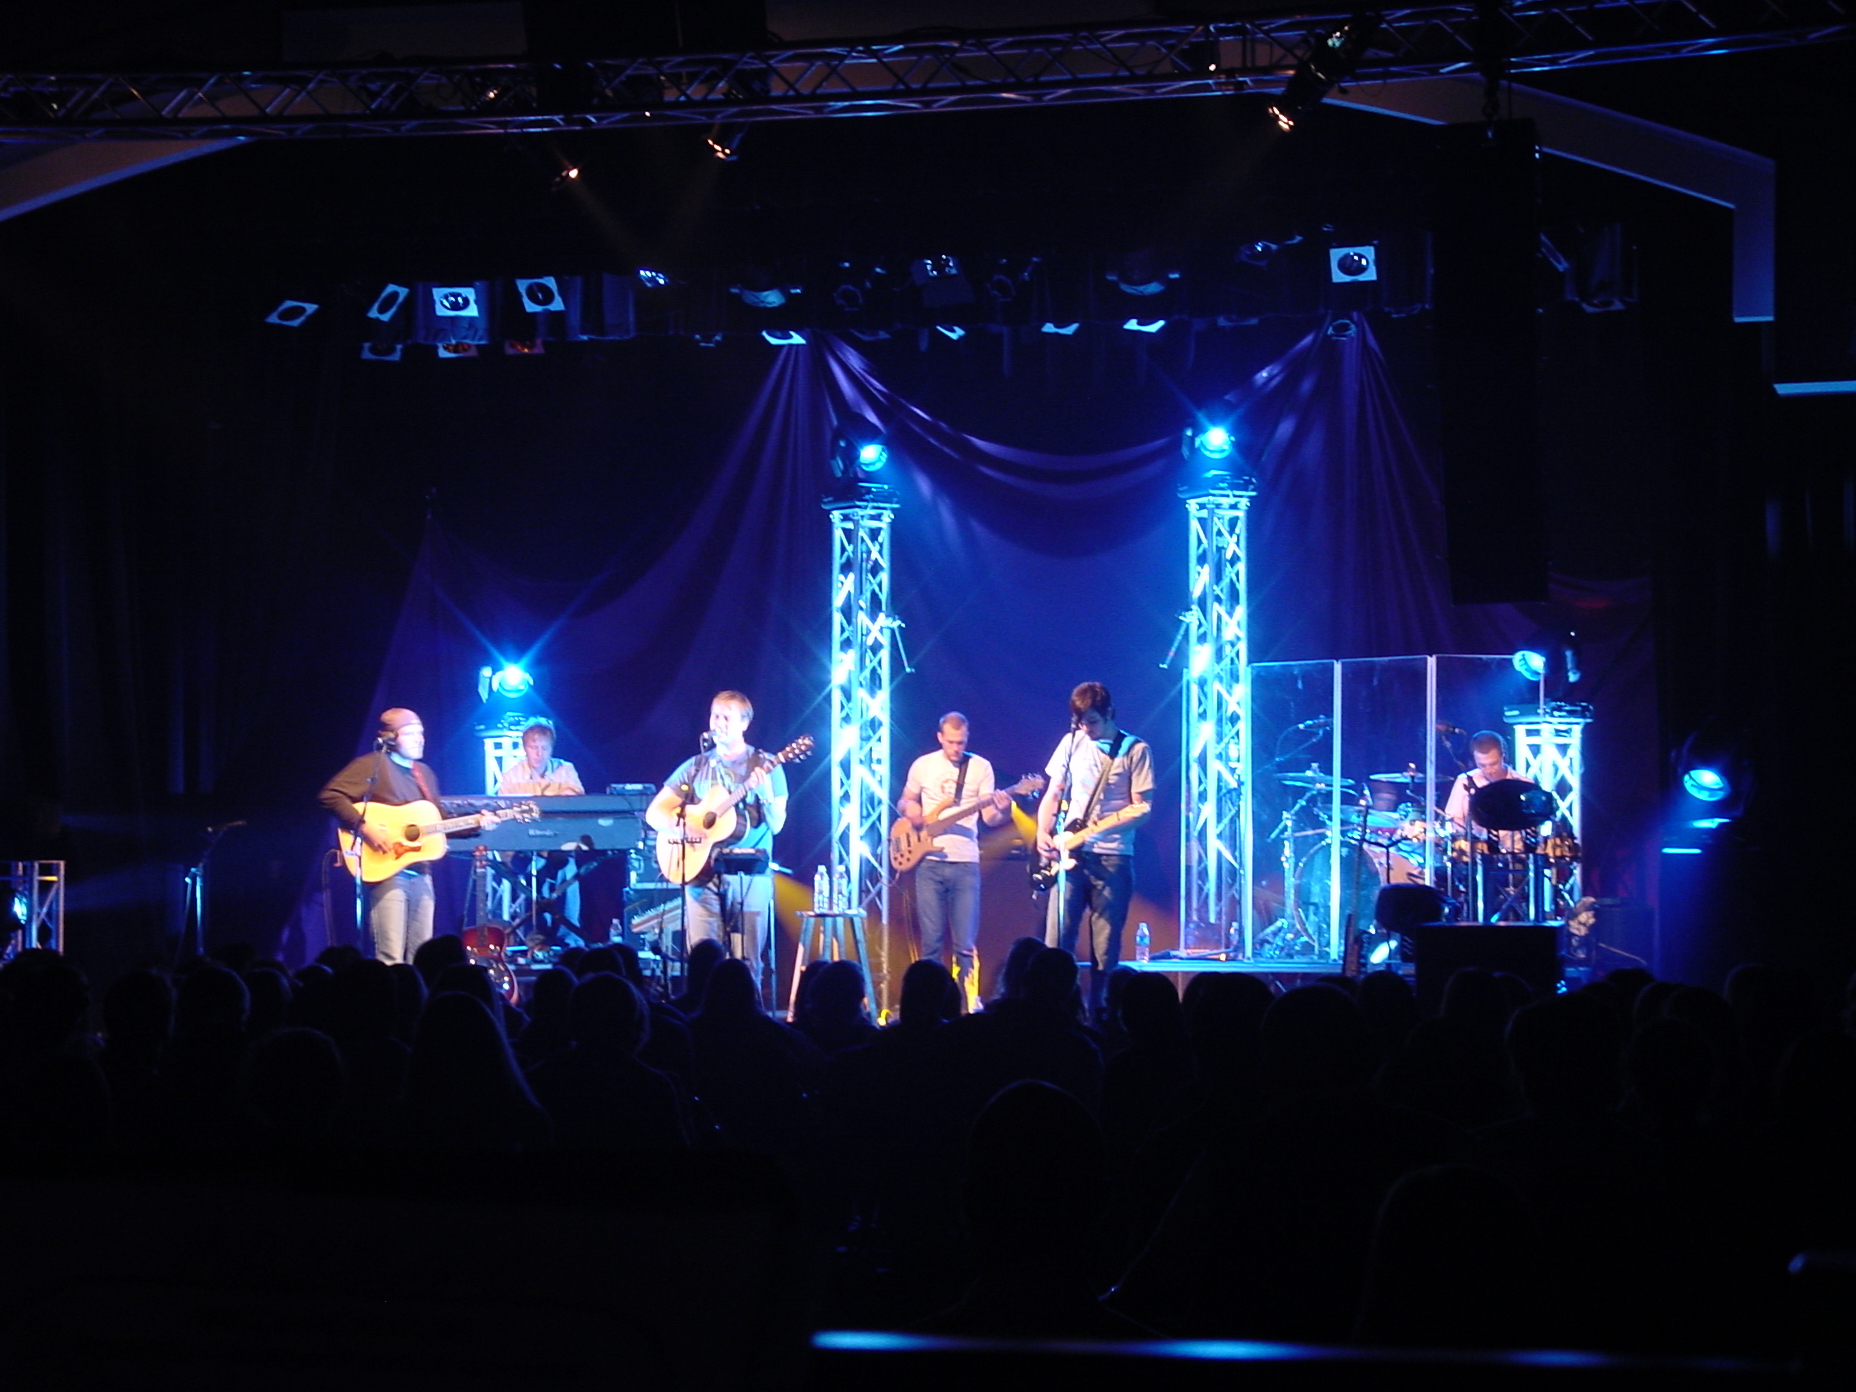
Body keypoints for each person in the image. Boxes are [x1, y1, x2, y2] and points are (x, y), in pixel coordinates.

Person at [320, 708, 495, 967]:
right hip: (388, 871)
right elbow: (330, 795)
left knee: (422, 955)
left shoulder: (424, 774)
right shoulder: (372, 766)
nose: (420, 739)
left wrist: (478, 823)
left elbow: (439, 823)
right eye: (411, 733)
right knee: (390, 956)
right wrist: (366, 827)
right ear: (390, 739)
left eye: (421, 733)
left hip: (421, 872)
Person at [645, 691, 788, 998]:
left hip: (749, 875)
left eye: (726, 716)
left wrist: (763, 793)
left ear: (744, 724)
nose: (718, 723)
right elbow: (655, 813)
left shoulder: (766, 765)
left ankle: (750, 1024)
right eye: (715, 715)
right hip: (701, 874)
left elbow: (777, 825)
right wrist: (688, 826)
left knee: (747, 961)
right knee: (703, 959)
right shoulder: (696, 766)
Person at [1035, 682, 1153, 1018]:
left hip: (1113, 856)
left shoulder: (1135, 750)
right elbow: (1054, 793)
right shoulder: (1071, 742)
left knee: (1105, 949)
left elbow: (1142, 808)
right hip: (1069, 858)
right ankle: (1055, 1015)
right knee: (1056, 943)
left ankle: (1101, 1016)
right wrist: (1043, 831)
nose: (1086, 729)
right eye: (1080, 723)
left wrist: (1088, 833)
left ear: (1109, 714)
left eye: (1092, 722)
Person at [897, 712, 1012, 999]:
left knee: (964, 944)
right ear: (940, 737)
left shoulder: (981, 767)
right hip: (928, 863)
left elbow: (990, 818)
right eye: (950, 742)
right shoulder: (923, 765)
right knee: (932, 944)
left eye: (961, 742)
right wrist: (911, 811)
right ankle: (929, 1006)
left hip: (966, 864)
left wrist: (1005, 808)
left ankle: (963, 1005)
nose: (956, 748)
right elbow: (905, 800)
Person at [494, 719, 586, 946]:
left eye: (544, 747)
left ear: (551, 749)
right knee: (531, 874)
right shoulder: (512, 775)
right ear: (525, 748)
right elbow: (505, 814)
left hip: (559, 843)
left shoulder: (566, 769)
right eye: (534, 747)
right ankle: (534, 940)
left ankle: (569, 941)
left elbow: (576, 802)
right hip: (525, 847)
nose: (539, 753)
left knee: (568, 872)